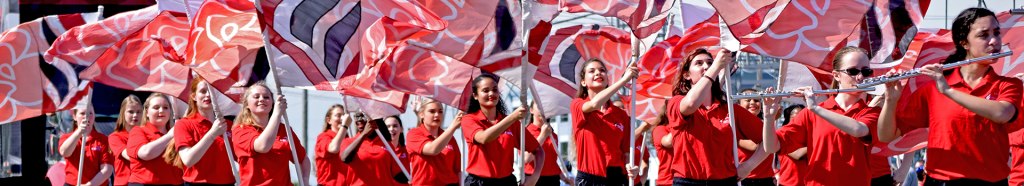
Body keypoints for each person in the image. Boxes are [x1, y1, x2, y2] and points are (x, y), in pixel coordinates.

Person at [878, 7, 1021, 185]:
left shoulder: (1008, 84)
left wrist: (948, 91)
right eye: (983, 35)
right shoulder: (932, 88)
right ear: (964, 43)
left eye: (997, 33)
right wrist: (891, 100)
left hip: (991, 182)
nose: (994, 41)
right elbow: (886, 136)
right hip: (941, 181)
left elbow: (1002, 114)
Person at [762, 47, 886, 186]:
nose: (860, 77)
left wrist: (815, 108)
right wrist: (768, 118)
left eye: (866, 72)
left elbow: (858, 130)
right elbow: (772, 147)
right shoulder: (812, 113)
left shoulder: (872, 111)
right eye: (853, 71)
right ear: (836, 75)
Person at [666, 48, 768, 185]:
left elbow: (769, 139)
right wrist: (714, 69)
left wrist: (748, 166)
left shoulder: (731, 110)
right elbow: (690, 103)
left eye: (709, 62)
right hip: (687, 182)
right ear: (686, 75)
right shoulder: (676, 102)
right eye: (699, 63)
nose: (706, 66)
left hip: (724, 181)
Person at [461, 74, 545, 186]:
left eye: (495, 90)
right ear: (475, 96)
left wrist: (534, 177)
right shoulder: (469, 119)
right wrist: (512, 117)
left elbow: (538, 151)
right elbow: (484, 138)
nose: (491, 93)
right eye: (485, 90)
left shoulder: (513, 123)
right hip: (478, 182)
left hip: (506, 182)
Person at [570, 58, 639, 186]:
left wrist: (630, 167)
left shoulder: (621, 114)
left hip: (617, 178)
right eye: (592, 71)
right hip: (589, 179)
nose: (598, 73)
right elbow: (595, 103)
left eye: (602, 70)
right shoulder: (577, 104)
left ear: (607, 80)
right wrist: (624, 80)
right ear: (583, 82)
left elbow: (626, 151)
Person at [231, 83, 311, 186]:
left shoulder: (284, 129)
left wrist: (304, 181)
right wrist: (277, 114)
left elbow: (302, 158)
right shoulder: (241, 129)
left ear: (272, 103)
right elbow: (263, 146)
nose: (262, 99)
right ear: (247, 105)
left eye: (266, 97)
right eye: (256, 97)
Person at [173, 78, 235, 186]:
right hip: (197, 183)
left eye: (212, 91)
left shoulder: (229, 125)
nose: (208, 95)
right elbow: (188, 160)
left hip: (227, 183)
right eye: (203, 91)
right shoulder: (184, 124)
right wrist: (212, 134)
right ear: (194, 96)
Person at [127, 93, 184, 185]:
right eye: (156, 108)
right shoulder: (137, 131)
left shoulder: (177, 133)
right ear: (146, 112)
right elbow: (146, 153)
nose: (161, 111)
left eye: (165, 107)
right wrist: (170, 136)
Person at [339, 112, 408, 186]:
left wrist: (411, 180)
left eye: (363, 116)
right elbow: (345, 158)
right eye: (357, 117)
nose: (359, 120)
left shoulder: (386, 144)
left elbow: (395, 173)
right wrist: (364, 134)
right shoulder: (349, 141)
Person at [408, 99, 463, 186]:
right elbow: (432, 150)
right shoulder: (413, 134)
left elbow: (457, 170)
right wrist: (453, 127)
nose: (437, 115)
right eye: (432, 111)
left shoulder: (450, 138)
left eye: (440, 111)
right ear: (421, 114)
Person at [59, 104, 114, 186]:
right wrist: (79, 132)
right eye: (82, 113)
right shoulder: (66, 137)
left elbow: (107, 170)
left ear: (94, 116)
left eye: (90, 113)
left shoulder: (103, 140)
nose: (86, 117)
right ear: (74, 117)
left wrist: (89, 185)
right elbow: (65, 152)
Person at [525, 105, 573, 186]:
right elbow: (527, 158)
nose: (542, 110)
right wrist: (543, 136)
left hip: (553, 179)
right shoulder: (526, 132)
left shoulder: (553, 135)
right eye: (539, 107)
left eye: (544, 107)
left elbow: (552, 162)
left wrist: (564, 178)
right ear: (531, 110)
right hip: (534, 179)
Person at [737, 87, 775, 186]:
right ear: (738, 105)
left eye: (756, 100)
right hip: (745, 180)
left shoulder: (765, 123)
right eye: (748, 100)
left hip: (767, 179)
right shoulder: (734, 125)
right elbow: (755, 145)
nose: (753, 102)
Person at [109, 95, 142, 186]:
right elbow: (130, 156)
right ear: (123, 113)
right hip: (124, 183)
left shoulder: (146, 135)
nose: (135, 115)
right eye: (131, 112)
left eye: (138, 112)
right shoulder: (115, 137)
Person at [315, 104, 350, 186]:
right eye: (338, 115)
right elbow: (334, 148)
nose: (342, 118)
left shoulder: (349, 139)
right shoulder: (323, 137)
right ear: (329, 120)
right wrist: (344, 126)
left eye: (344, 115)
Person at [776, 105, 807, 186]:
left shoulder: (809, 136)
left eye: (804, 116)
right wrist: (819, 143)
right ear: (787, 118)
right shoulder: (783, 134)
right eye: (797, 117)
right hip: (788, 183)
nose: (801, 120)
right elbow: (797, 155)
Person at [384, 115, 410, 186]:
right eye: (387, 127)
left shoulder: (407, 150)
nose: (391, 129)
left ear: (401, 129)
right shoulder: (378, 150)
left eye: (395, 126)